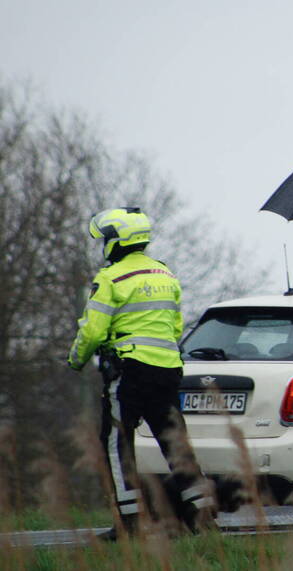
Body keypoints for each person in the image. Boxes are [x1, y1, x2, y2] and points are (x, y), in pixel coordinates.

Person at [67, 207, 215, 538]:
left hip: (128, 374)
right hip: (167, 370)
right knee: (176, 443)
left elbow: (92, 332)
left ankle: (129, 523)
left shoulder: (111, 278)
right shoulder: (166, 274)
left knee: (117, 444)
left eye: (105, 238)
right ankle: (203, 517)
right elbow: (174, 325)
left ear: (117, 241)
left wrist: (76, 360)